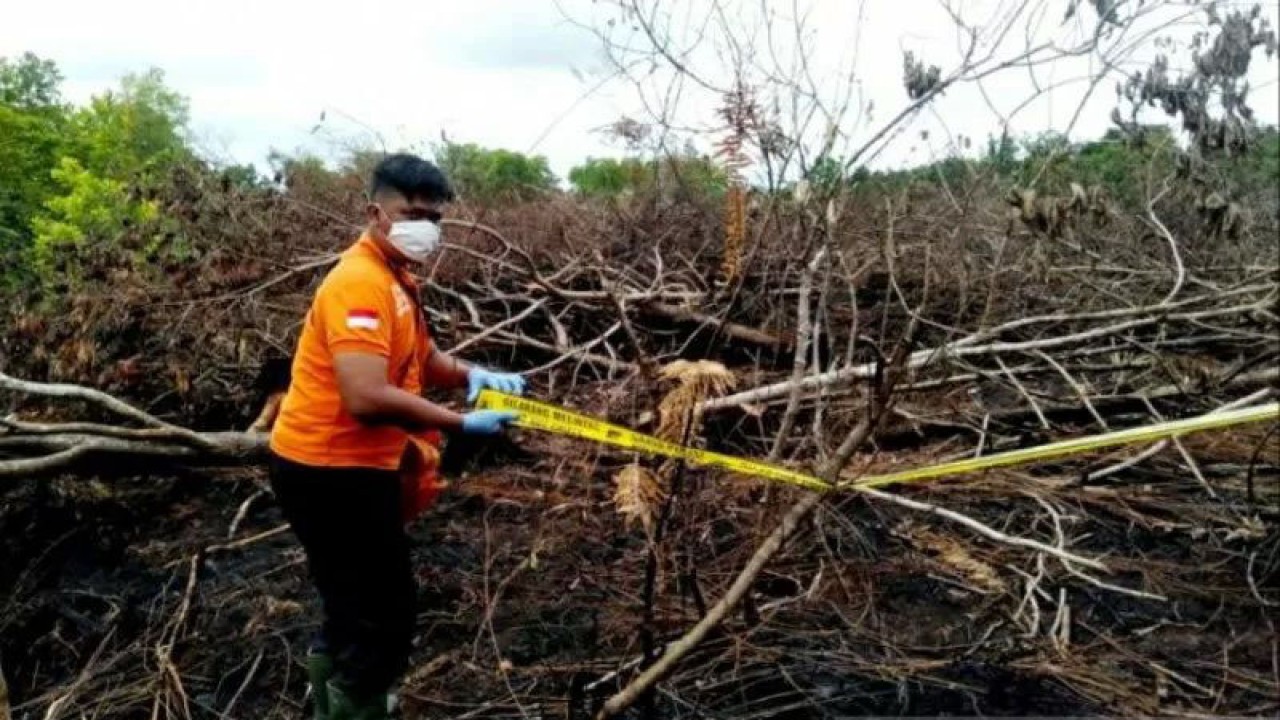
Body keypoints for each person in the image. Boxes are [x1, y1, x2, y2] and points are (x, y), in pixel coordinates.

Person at [268, 153, 524, 719]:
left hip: (349, 469)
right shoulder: (359, 283)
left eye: (434, 217)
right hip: (329, 473)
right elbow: (364, 395)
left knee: (350, 606)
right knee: (385, 614)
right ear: (375, 213)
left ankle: (341, 704)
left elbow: (419, 355)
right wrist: (458, 422)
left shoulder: (394, 278)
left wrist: (469, 375)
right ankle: (358, 707)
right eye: (412, 213)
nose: (425, 228)